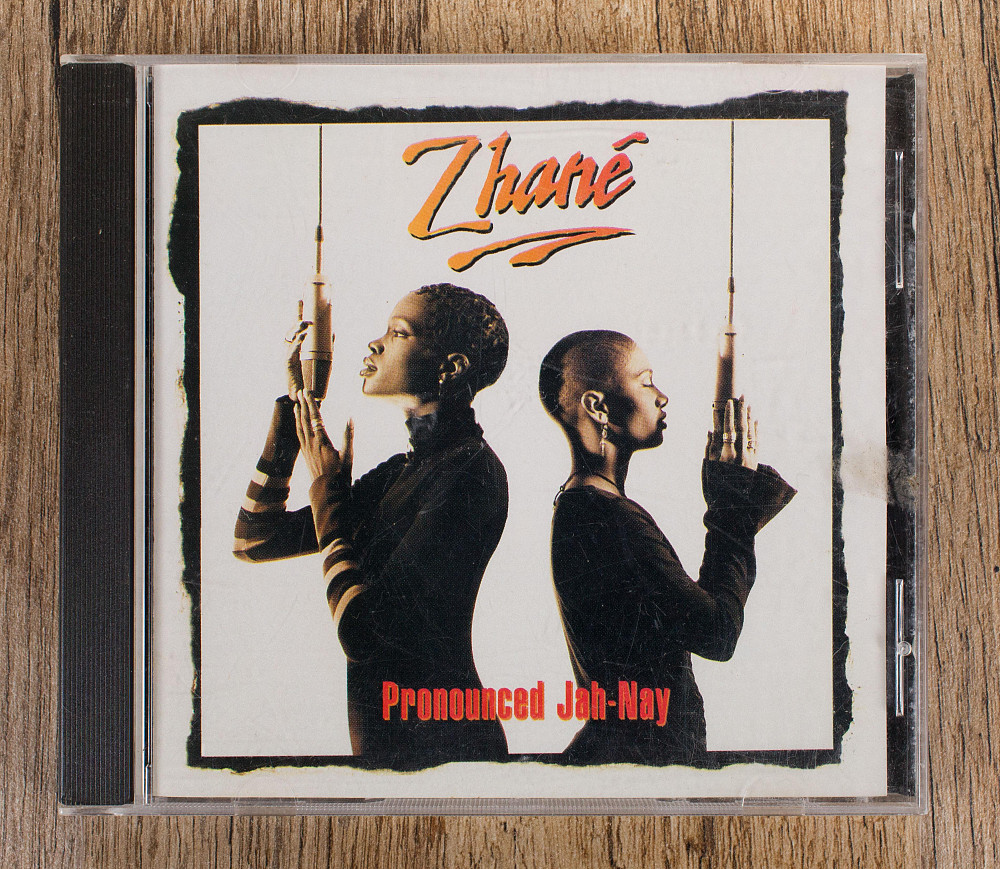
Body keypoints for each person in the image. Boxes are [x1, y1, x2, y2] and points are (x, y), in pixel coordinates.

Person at [234, 283, 510, 769]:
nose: (374, 344)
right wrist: (297, 406)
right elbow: (254, 540)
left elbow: (362, 635)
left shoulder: (470, 472)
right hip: (397, 751)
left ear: (450, 368)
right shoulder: (402, 472)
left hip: (449, 749)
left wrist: (327, 497)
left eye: (398, 333)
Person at [538, 330, 795, 765]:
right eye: (645, 382)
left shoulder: (587, 506)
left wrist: (732, 508)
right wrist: (731, 511)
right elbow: (717, 633)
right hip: (642, 764)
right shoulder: (607, 516)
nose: (662, 397)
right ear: (597, 407)